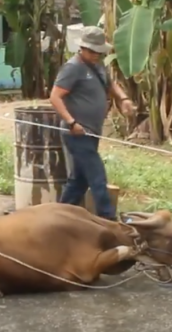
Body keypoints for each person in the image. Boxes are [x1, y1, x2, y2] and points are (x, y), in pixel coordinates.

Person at [49, 26, 135, 220]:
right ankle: (109, 219)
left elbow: (110, 83)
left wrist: (123, 98)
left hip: (92, 131)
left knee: (79, 181)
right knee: (97, 177)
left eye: (99, 52)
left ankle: (59, 216)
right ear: (83, 48)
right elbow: (55, 97)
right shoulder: (72, 68)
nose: (97, 55)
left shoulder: (97, 65)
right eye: (93, 51)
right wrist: (71, 123)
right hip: (76, 133)